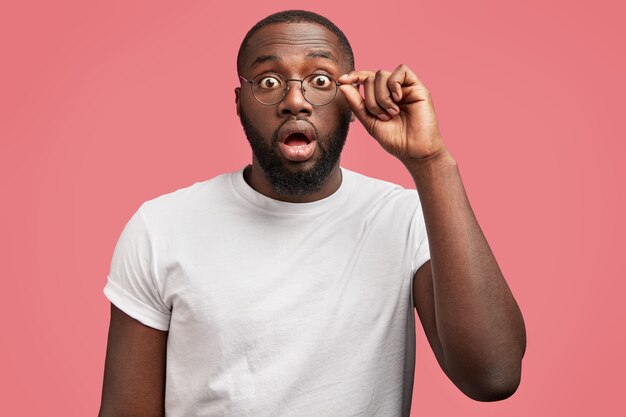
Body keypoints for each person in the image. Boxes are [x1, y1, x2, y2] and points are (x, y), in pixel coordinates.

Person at [98, 10, 526, 417]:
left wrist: (431, 162)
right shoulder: (162, 227)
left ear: (351, 100)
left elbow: (493, 376)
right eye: (268, 81)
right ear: (240, 102)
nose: (295, 101)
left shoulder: (406, 219)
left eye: (320, 79)